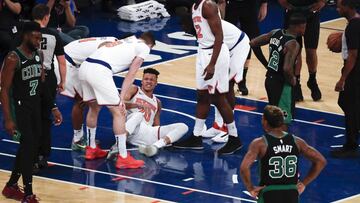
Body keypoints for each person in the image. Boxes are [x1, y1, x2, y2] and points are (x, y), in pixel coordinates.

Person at [173, 0, 243, 155]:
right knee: (202, 96)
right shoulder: (195, 7)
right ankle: (196, 137)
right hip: (203, 51)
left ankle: (234, 138)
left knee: (218, 98)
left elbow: (219, 36)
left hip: (214, 54)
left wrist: (212, 64)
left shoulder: (208, 6)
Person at [78, 33, 155, 169]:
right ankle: (123, 157)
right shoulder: (144, 47)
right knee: (119, 112)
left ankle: (91, 148)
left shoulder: (128, 40)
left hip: (85, 67)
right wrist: (122, 97)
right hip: (100, 70)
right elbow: (131, 73)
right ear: (150, 45)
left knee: (94, 108)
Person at [240, 105, 326, 203]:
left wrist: (250, 188)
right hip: (292, 194)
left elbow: (244, 168)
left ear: (265, 121)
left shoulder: (260, 144)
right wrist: (303, 183)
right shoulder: (297, 142)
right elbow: (321, 161)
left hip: (269, 193)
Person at [1, 22, 44, 203]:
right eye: (35, 37)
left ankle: (11, 186)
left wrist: (53, 107)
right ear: (26, 36)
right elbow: (3, 90)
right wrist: (8, 119)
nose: (38, 41)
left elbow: (41, 83)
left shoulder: (38, 55)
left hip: (34, 107)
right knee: (28, 149)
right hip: (19, 109)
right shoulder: (13, 58)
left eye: (40, 39)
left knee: (30, 148)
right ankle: (28, 194)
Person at [108, 68, 189, 158]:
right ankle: (118, 145)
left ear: (156, 83)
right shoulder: (134, 89)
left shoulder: (157, 102)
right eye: (146, 79)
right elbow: (119, 105)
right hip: (132, 130)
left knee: (183, 126)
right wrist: (137, 105)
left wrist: (163, 134)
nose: (148, 82)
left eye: (152, 80)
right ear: (142, 81)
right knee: (138, 115)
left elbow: (156, 124)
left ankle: (154, 147)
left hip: (149, 133)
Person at [61, 36, 118, 151]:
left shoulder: (113, 40)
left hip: (72, 60)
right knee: (81, 101)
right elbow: (99, 59)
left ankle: (83, 138)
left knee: (89, 99)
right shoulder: (110, 46)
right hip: (65, 63)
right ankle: (77, 140)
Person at [250, 12, 306, 125]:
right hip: (282, 84)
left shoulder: (275, 32)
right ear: (299, 26)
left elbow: (253, 42)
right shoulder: (293, 44)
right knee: (282, 120)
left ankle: (271, 140)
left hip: (269, 79)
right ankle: (279, 141)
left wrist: (267, 62)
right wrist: (293, 81)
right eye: (305, 26)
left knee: (273, 117)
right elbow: (286, 69)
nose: (305, 29)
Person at [32, 3, 65, 169]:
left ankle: (30, 154)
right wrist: (63, 82)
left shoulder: (24, 33)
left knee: (30, 117)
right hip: (48, 77)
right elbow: (62, 62)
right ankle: (42, 156)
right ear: (46, 17)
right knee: (45, 117)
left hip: (28, 76)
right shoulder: (53, 35)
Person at [279, 0, 326, 102]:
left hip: (311, 10)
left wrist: (323, 1)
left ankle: (312, 80)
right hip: (292, 11)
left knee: (311, 51)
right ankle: (296, 83)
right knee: (295, 51)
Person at [331, 0, 360, 158]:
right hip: (355, 70)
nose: (337, 8)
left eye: (340, 5)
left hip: (354, 72)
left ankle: (351, 145)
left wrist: (342, 79)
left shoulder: (353, 27)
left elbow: (353, 55)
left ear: (348, 6)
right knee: (347, 104)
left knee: (349, 106)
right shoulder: (355, 22)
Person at [223, 0, 269, 95]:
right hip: (231, 4)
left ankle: (242, 81)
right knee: (226, 40)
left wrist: (264, 3)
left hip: (249, 4)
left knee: (251, 41)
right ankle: (226, 79)